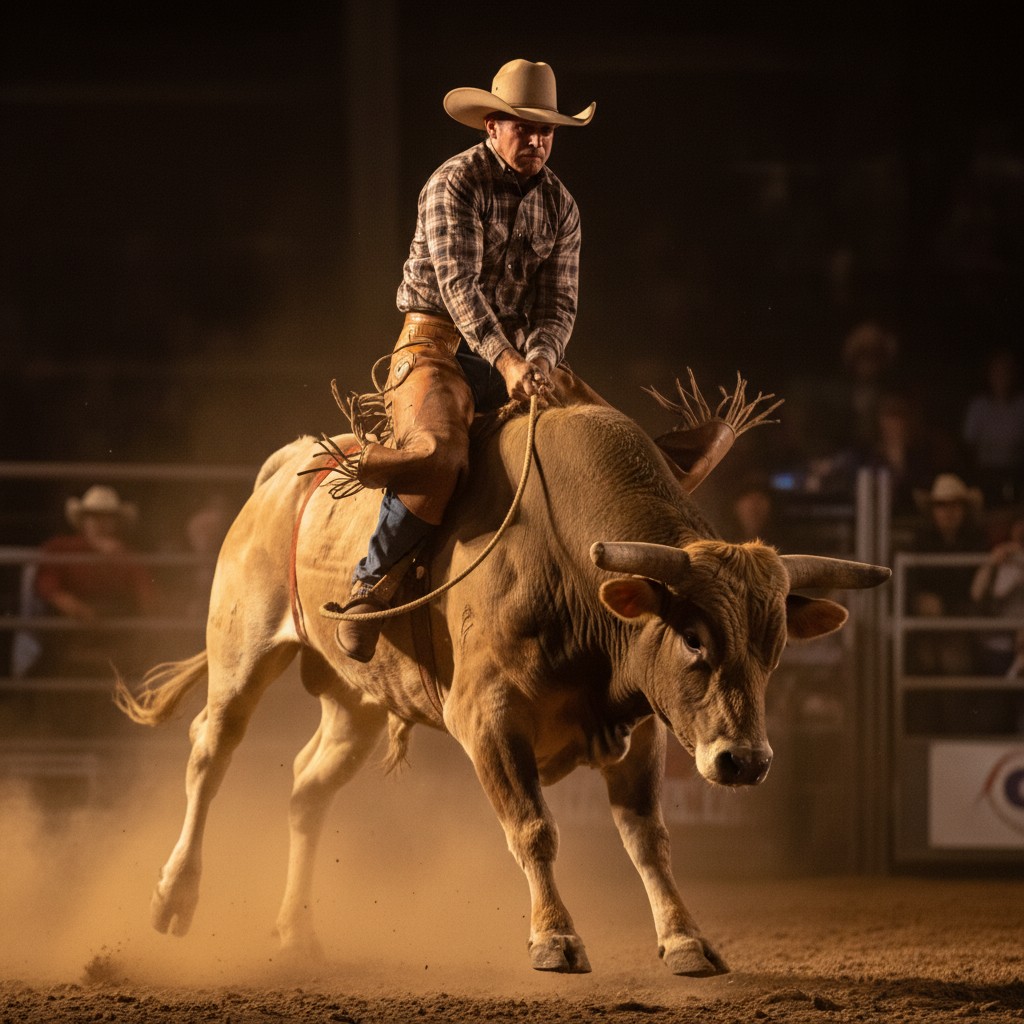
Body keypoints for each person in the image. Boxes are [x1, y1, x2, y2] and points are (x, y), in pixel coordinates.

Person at [334, 59, 597, 662]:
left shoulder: (562, 206)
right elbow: (458, 287)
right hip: (435, 346)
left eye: (546, 131)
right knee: (443, 454)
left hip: (514, 354)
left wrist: (538, 359)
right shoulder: (454, 183)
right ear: (490, 127)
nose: (535, 140)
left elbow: (559, 303)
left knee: (600, 433)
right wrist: (507, 361)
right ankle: (371, 584)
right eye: (522, 127)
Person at [33, 484, 160, 675]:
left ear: (117, 522)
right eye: (93, 516)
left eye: (108, 517)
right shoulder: (61, 547)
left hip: (116, 631)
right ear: (83, 520)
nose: (100, 523)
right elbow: (47, 585)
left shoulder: (127, 554)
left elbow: (148, 594)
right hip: (70, 630)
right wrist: (76, 608)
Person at [906, 473, 989, 676]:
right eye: (941, 505)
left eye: (955, 505)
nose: (948, 511)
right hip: (925, 628)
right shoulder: (920, 541)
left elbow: (978, 591)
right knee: (923, 662)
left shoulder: (976, 541)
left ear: (964, 510)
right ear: (933, 510)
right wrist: (919, 600)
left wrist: (948, 608)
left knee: (955, 662)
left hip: (961, 624)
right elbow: (909, 581)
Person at [962, 347, 1024, 507]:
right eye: (997, 372)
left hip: (1017, 472)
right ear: (989, 375)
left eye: (1006, 372)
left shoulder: (1020, 406)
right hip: (985, 473)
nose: (1001, 377)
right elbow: (968, 443)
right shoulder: (979, 406)